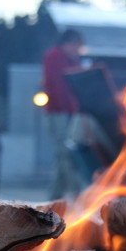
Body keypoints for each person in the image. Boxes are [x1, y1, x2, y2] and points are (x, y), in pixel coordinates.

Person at [42, 28, 86, 199]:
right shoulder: (54, 56)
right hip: (58, 113)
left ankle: (52, 200)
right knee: (66, 154)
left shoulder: (71, 61)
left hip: (69, 113)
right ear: (69, 43)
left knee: (64, 157)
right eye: (77, 46)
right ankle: (78, 195)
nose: (78, 50)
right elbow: (58, 86)